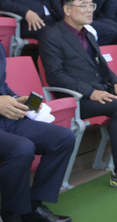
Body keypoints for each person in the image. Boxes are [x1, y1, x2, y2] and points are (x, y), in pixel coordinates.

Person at [39, 0, 117, 190]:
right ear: (67, 9)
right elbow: (55, 76)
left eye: (91, 5)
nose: (89, 10)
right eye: (83, 5)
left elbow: (103, 66)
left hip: (103, 91)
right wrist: (90, 92)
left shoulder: (88, 34)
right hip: (78, 99)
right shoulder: (52, 36)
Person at [0, 45, 75, 222]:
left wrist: (18, 99)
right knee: (22, 148)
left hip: (7, 118)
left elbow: (2, 86)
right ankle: (12, 212)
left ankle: (33, 207)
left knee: (63, 138)